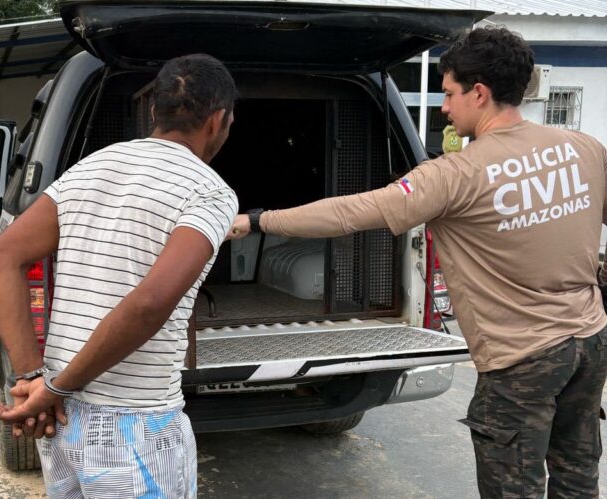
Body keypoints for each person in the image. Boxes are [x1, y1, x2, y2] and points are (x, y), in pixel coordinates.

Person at [230, 27, 607, 498]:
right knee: (577, 475)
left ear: (481, 93)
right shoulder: (584, 149)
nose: (444, 107)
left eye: (449, 94)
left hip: (521, 359)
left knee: (514, 488)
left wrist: (262, 220)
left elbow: (349, 212)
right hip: (588, 343)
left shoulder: (456, 175)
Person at [0, 53, 239, 498]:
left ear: (154, 111)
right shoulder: (210, 191)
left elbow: (0, 257)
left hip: (61, 418)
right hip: (136, 427)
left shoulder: (90, 169)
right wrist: (56, 385)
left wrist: (32, 378)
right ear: (217, 121)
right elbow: (149, 303)